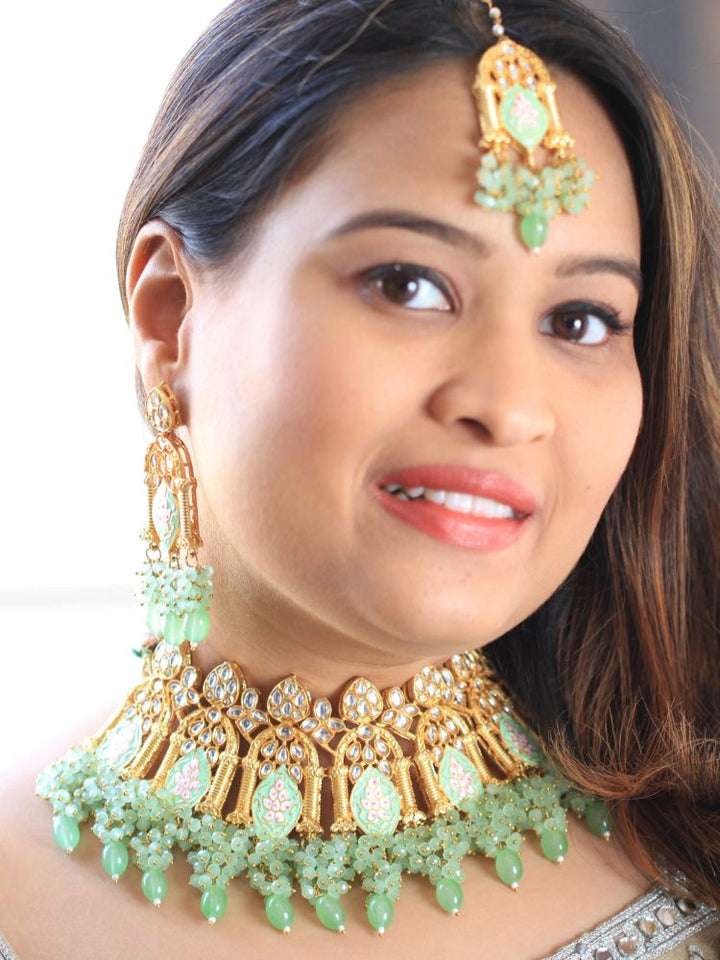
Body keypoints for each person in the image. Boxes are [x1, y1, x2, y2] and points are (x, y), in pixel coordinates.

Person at [1, 0, 718, 957]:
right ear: (171, 315)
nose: (508, 406)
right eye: (408, 284)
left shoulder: (692, 845)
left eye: (580, 320)